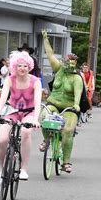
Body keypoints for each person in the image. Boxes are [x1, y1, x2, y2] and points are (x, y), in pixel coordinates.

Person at [0, 51, 41, 184]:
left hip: (29, 112)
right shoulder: (10, 80)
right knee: (2, 140)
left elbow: (37, 102)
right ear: (14, 67)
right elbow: (2, 98)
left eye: (25, 66)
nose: (22, 68)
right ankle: (2, 171)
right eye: (19, 66)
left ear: (29, 66)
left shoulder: (35, 82)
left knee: (26, 132)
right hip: (12, 111)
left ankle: (23, 168)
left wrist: (35, 119)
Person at [38, 30, 84, 174]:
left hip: (69, 108)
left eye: (73, 63)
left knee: (68, 131)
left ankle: (66, 162)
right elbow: (50, 54)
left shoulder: (77, 78)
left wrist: (76, 104)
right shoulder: (58, 70)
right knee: (43, 117)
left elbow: (78, 93)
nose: (70, 65)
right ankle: (47, 140)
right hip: (53, 103)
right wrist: (45, 39)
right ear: (64, 62)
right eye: (68, 62)